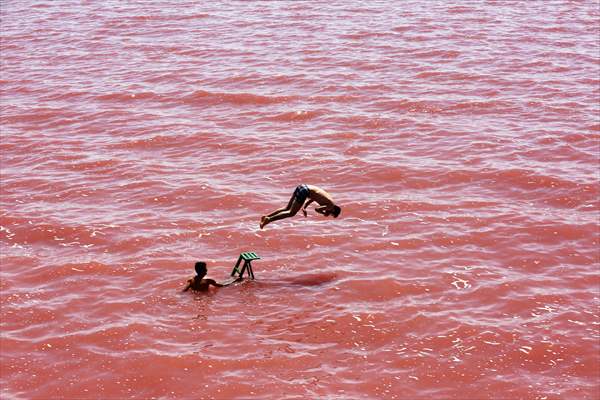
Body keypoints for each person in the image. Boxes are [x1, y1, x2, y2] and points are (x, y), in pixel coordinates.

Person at [260, 184, 341, 229]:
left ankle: (267, 216)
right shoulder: (330, 206)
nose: (328, 213)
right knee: (291, 213)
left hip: (302, 187)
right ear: (333, 211)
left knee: (287, 208)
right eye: (331, 214)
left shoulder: (329, 199)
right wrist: (323, 213)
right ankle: (269, 220)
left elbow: (313, 198)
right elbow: (317, 209)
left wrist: (304, 208)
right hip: (305, 191)